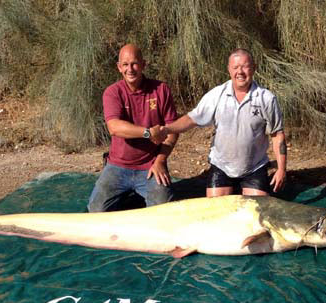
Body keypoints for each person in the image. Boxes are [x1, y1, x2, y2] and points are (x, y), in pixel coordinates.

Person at [160, 48, 287, 197]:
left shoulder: (266, 98)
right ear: (229, 69)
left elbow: (277, 135)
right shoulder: (216, 95)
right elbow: (191, 119)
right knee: (216, 211)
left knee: (256, 212)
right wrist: (166, 129)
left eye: (245, 66)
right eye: (235, 67)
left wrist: (281, 169)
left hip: (254, 168)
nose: (240, 72)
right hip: (222, 166)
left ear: (253, 68)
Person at [88, 44, 179, 212]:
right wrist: (148, 132)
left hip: (151, 165)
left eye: (135, 63)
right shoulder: (112, 92)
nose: (130, 69)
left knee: (164, 209)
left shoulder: (161, 90)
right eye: (125, 64)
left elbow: (172, 131)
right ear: (119, 67)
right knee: (96, 209)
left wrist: (160, 161)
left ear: (144, 64)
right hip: (117, 166)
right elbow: (114, 127)